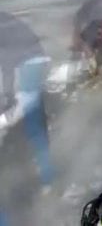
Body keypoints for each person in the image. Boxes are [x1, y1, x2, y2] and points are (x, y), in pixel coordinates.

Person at [0, 11, 54, 186]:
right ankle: (46, 172)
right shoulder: (5, 18)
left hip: (29, 63)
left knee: (31, 117)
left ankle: (46, 175)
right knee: (34, 114)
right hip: (36, 59)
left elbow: (7, 57)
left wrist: (8, 92)